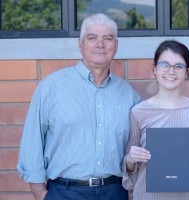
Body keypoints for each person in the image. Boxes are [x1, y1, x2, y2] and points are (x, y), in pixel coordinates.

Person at [17, 13, 141, 200]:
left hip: (113, 192)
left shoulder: (129, 95)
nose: (100, 44)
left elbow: (140, 145)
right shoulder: (52, 87)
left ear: (116, 45)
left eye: (107, 38)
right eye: (92, 38)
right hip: (64, 192)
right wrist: (39, 192)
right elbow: (32, 141)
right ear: (80, 44)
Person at [122, 40, 189, 200]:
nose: (171, 71)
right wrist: (130, 159)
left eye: (179, 66)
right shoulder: (139, 112)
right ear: (154, 69)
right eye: (165, 65)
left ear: (187, 72)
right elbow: (130, 170)